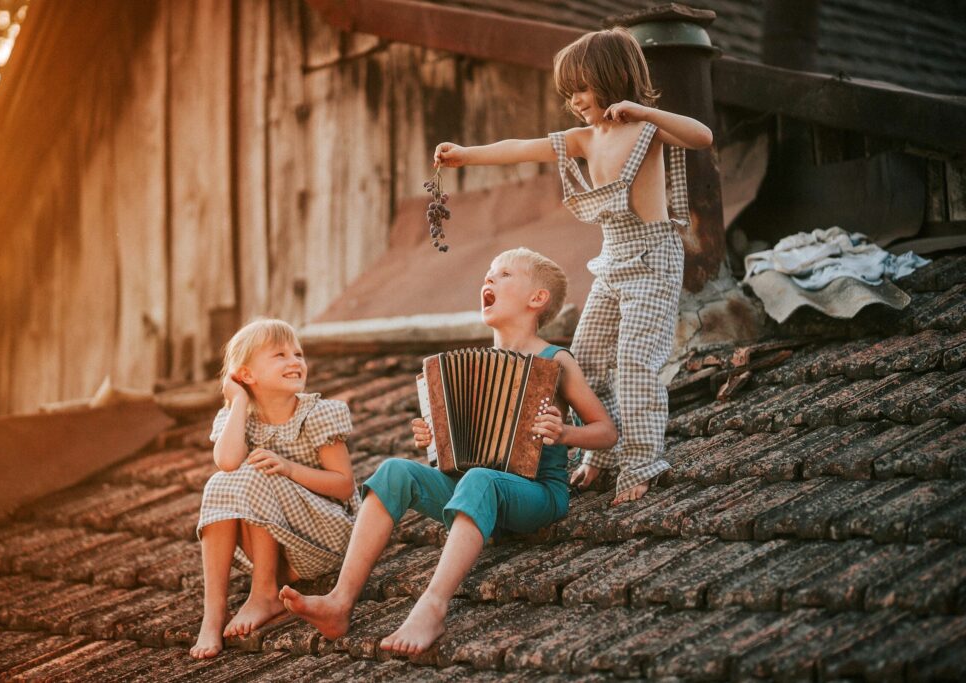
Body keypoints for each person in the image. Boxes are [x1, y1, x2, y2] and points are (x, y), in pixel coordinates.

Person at [280, 248, 617, 656]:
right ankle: (339, 601)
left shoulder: (554, 360)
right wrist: (434, 438)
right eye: (488, 274)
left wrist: (565, 434)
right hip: (477, 494)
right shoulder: (475, 366)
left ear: (537, 299)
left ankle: (433, 606)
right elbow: (461, 450)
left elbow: (606, 432)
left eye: (504, 274)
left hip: (537, 496)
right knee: (392, 471)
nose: (488, 280)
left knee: (479, 479)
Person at [432, 27, 713, 505]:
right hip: (611, 261)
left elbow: (702, 136)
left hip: (653, 260)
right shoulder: (583, 139)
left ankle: (643, 459)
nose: (576, 100)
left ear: (616, 77)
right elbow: (521, 147)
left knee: (635, 363)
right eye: (569, 93)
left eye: (582, 88)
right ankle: (599, 454)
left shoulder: (646, 131)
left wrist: (644, 109)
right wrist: (466, 156)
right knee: (584, 361)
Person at [190, 319, 358, 659]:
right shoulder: (237, 417)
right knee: (223, 480)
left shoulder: (317, 414)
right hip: (286, 548)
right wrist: (238, 402)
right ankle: (214, 613)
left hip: (326, 536)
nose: (295, 361)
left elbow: (344, 486)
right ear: (247, 375)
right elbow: (225, 461)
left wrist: (290, 469)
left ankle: (264, 592)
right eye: (279, 355)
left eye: (298, 353)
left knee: (257, 471)